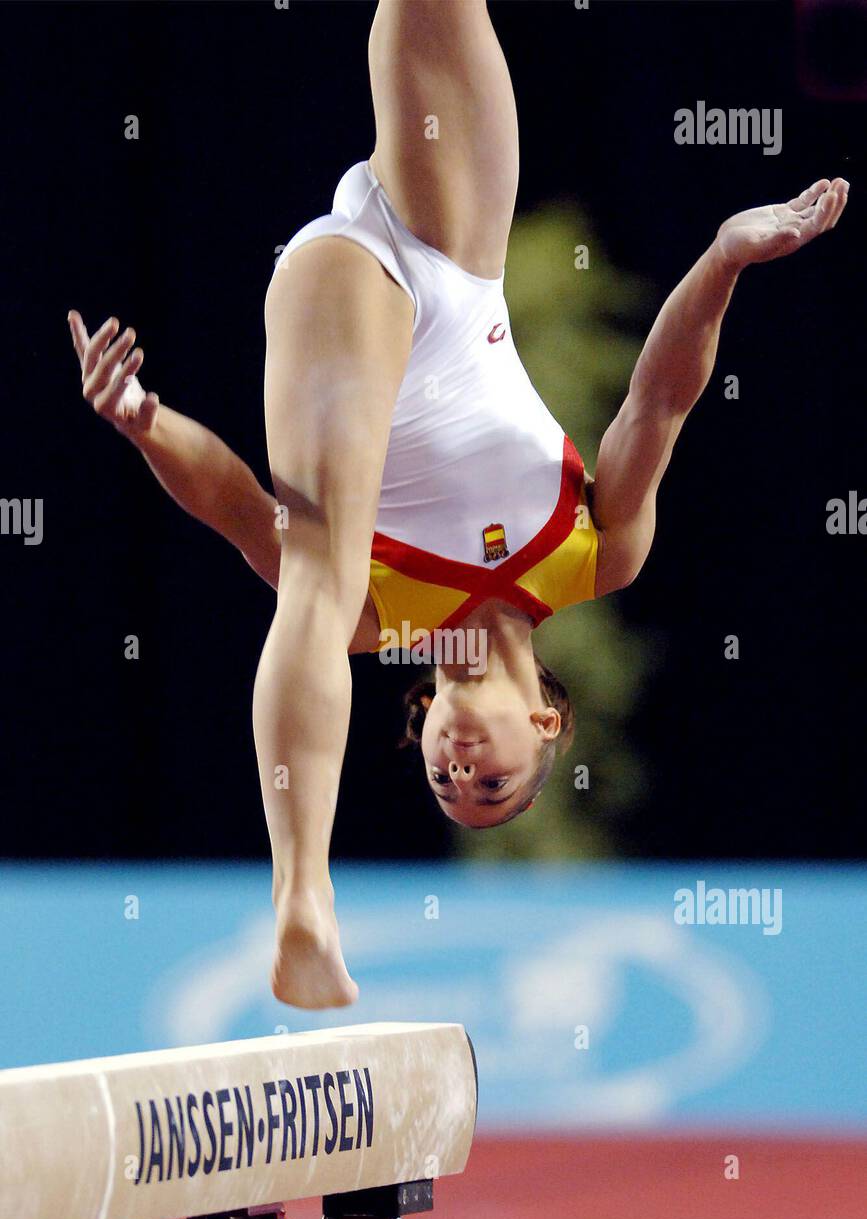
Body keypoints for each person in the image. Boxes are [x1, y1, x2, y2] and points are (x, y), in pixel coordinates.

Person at [69, 0, 848, 1008]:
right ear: (547, 721)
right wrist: (724, 259)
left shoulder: (373, 614)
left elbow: (231, 503)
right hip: (455, 253)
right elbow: (662, 400)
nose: (460, 769)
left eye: (446, 782)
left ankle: (303, 896)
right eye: (490, 782)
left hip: (350, 299)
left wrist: (142, 421)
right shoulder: (595, 554)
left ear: (424, 720)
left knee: (315, 560)